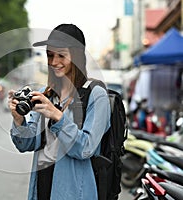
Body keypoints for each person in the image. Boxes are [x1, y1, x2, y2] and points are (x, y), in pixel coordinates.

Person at [8, 24, 111, 199]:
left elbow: (86, 148)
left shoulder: (96, 95)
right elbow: (27, 144)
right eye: (50, 55)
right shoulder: (45, 93)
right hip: (41, 189)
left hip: (74, 193)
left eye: (61, 55)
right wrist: (19, 120)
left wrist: (56, 116)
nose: (54, 62)